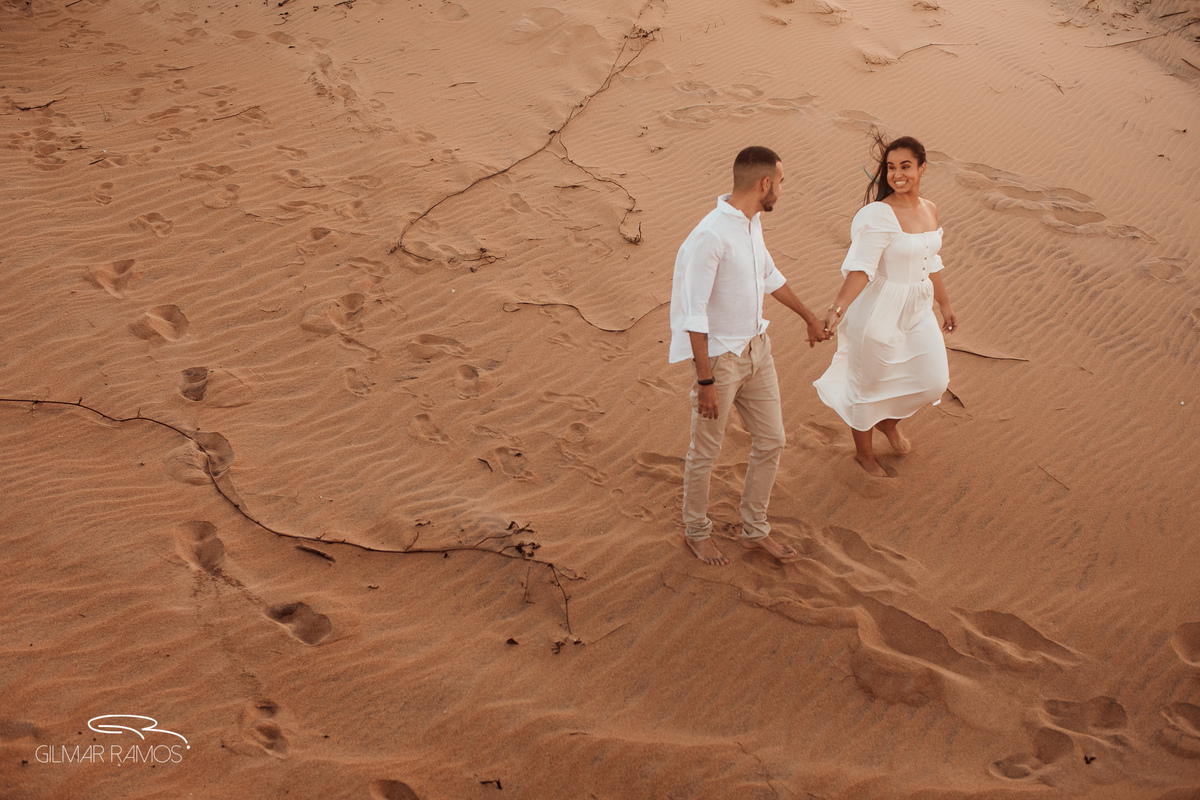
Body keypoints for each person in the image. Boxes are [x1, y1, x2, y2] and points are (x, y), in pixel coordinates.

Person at [669, 146, 829, 566]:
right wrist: (705, 381)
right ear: (764, 184)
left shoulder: (752, 223)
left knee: (772, 439)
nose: (782, 189)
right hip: (720, 362)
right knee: (705, 451)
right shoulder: (711, 235)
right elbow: (694, 314)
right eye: (781, 181)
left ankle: (754, 531)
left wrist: (809, 317)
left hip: (758, 352)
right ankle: (696, 530)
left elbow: (770, 277)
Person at [813, 134, 957, 477]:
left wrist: (945, 305)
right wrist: (837, 309)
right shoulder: (878, 214)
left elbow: (931, 261)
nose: (897, 174)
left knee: (933, 381)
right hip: (878, 310)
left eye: (905, 166)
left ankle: (887, 422)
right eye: (890, 168)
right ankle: (864, 455)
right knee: (868, 385)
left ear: (922, 168)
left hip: (917, 308)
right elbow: (862, 268)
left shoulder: (930, 209)